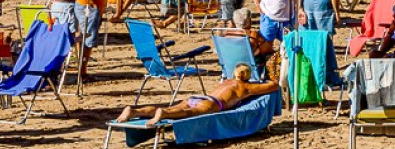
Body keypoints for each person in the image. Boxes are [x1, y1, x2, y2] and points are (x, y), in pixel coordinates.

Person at [116, 54, 280, 125]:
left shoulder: (227, 81)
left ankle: (134, 111)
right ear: (247, 76)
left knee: (175, 107)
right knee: (190, 114)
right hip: (213, 103)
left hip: (199, 96)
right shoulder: (245, 87)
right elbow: (273, 86)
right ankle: (164, 115)